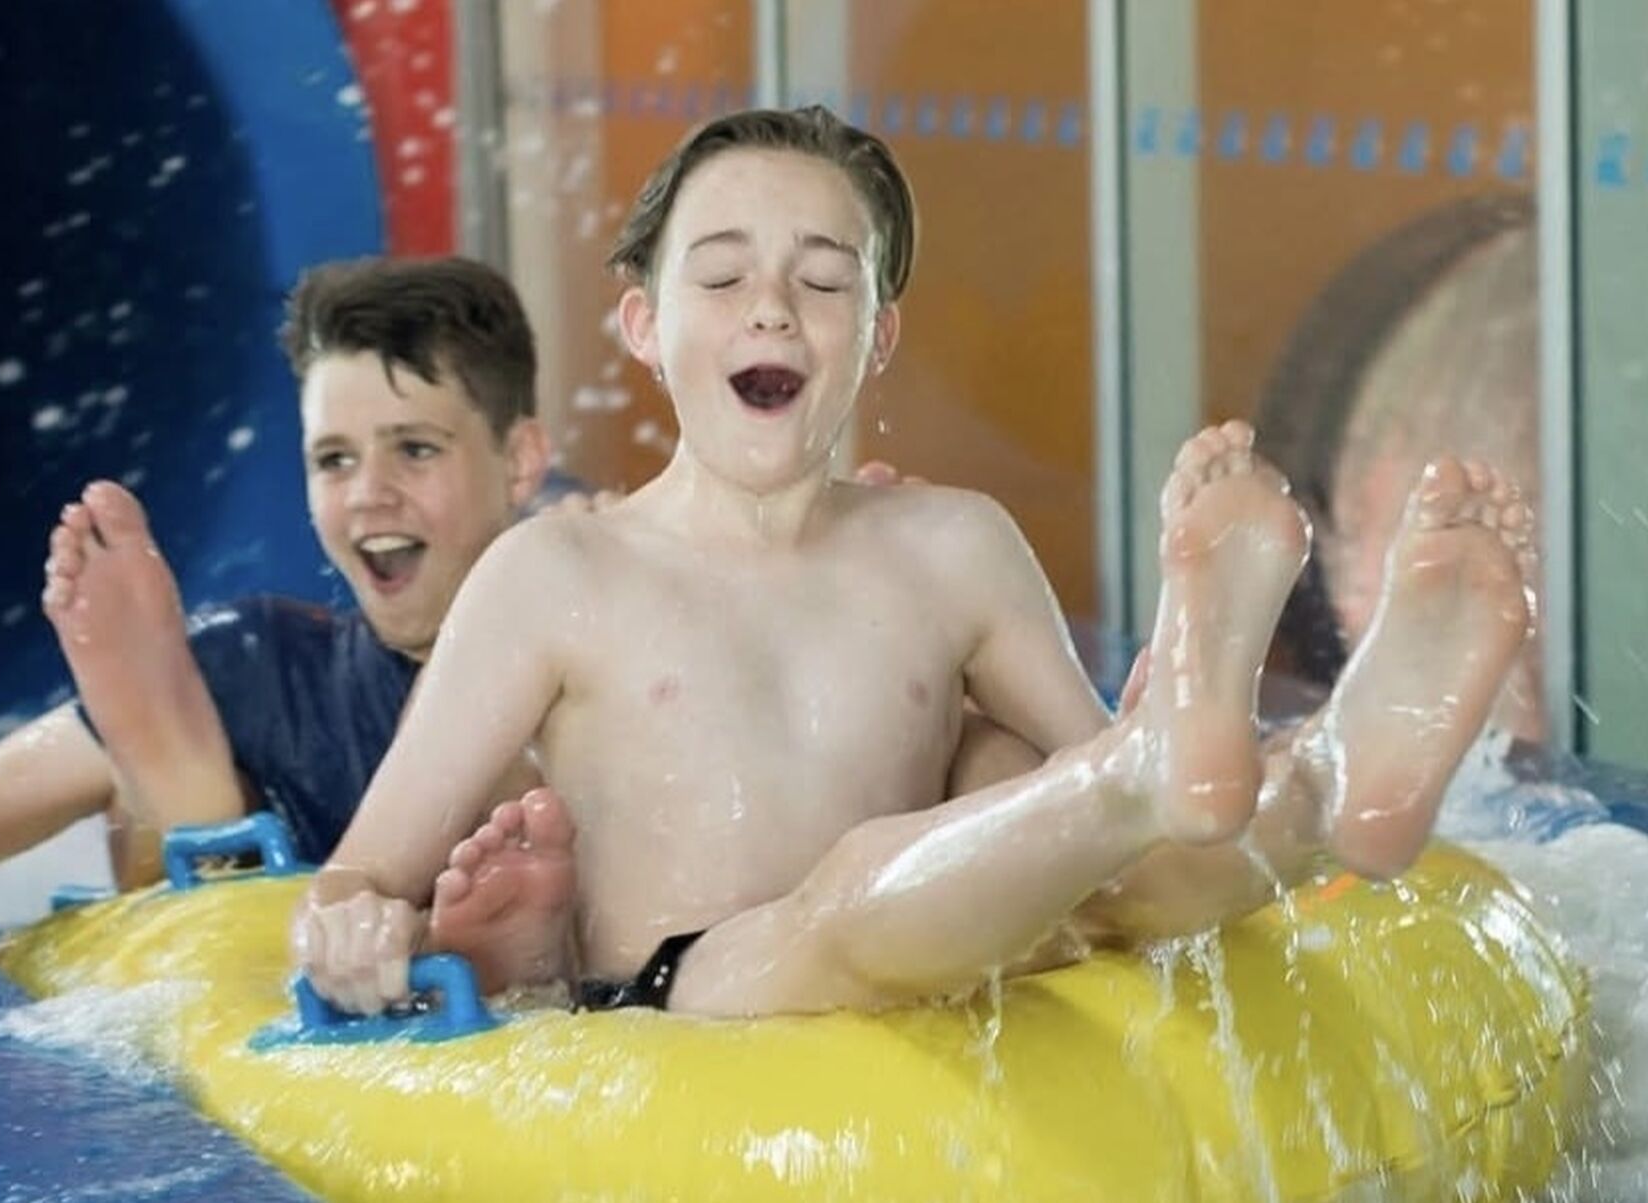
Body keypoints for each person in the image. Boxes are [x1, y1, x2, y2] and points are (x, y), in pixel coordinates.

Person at [291, 106, 1538, 1020]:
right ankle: (1263, 762)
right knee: (847, 901)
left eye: (821, 280)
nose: (771, 306)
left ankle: (1342, 767)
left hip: (958, 937)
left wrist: (1159, 754)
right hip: (690, 991)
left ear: (874, 337)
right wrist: (346, 916)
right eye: (721, 275)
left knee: (1128, 853)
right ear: (643, 327)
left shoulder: (954, 545)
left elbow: (1121, 807)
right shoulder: (556, 574)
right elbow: (369, 859)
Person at [0, 256, 555, 1002]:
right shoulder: (263, 663)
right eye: (334, 459)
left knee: (535, 840)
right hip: (217, 996)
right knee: (153, 799)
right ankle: (189, 807)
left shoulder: (597, 655)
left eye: (416, 449)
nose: (367, 496)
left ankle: (216, 824)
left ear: (519, 461)